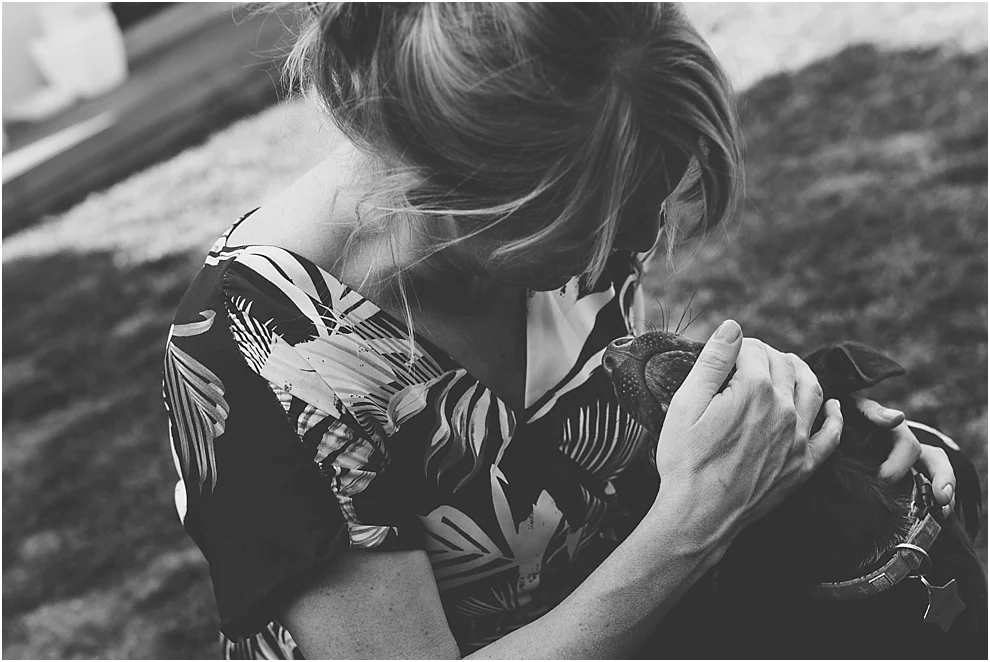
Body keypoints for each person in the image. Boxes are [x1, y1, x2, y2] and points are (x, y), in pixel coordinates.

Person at [162, 4, 958, 658]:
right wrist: (695, 523)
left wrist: (811, 440)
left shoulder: (550, 207)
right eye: (600, 222)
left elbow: (609, 467)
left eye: (648, 203)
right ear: (473, 193)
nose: (638, 246)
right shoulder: (257, 352)